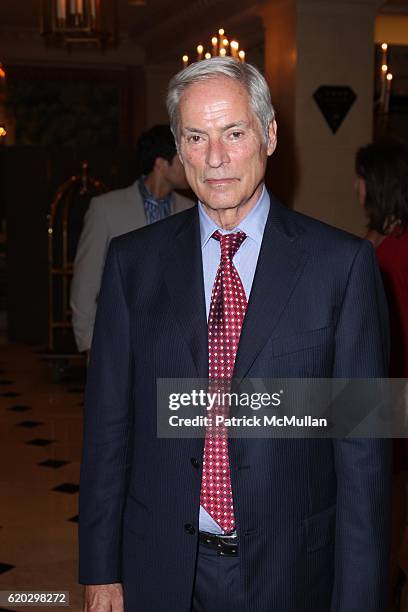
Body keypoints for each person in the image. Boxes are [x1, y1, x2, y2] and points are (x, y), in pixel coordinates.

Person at [79, 58, 391, 612]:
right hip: (159, 567)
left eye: (234, 133)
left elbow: (364, 460)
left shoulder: (343, 267)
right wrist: (101, 570)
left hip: (294, 572)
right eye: (196, 137)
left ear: (269, 135)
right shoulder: (133, 263)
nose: (215, 158)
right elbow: (108, 430)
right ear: (179, 147)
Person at [70, 124, 193, 354]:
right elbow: (85, 282)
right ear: (161, 163)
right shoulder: (105, 209)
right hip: (117, 344)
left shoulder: (192, 211)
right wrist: (89, 343)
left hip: (173, 349)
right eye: (183, 158)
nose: (192, 164)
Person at [355, 140, 408, 607]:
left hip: (392, 395)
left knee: (384, 502)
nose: (356, 187)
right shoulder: (383, 245)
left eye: (361, 178)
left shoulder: (392, 253)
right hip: (389, 396)